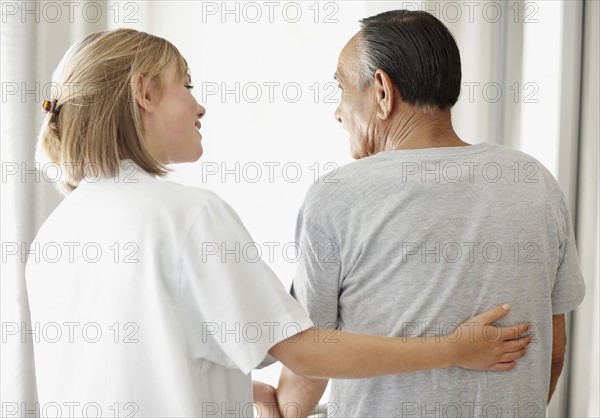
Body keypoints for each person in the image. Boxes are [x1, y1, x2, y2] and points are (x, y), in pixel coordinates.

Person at [26, 28, 531, 417]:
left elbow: (122, 368)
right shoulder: (186, 215)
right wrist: (453, 349)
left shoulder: (56, 234)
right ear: (144, 92)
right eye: (187, 84)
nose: (199, 104)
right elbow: (305, 352)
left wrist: (235, 389)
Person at [272, 9, 587, 418]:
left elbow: (309, 363)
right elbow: (553, 347)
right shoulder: (535, 181)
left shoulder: (337, 196)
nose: (337, 111)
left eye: (341, 88)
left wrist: (280, 410)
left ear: (382, 91)